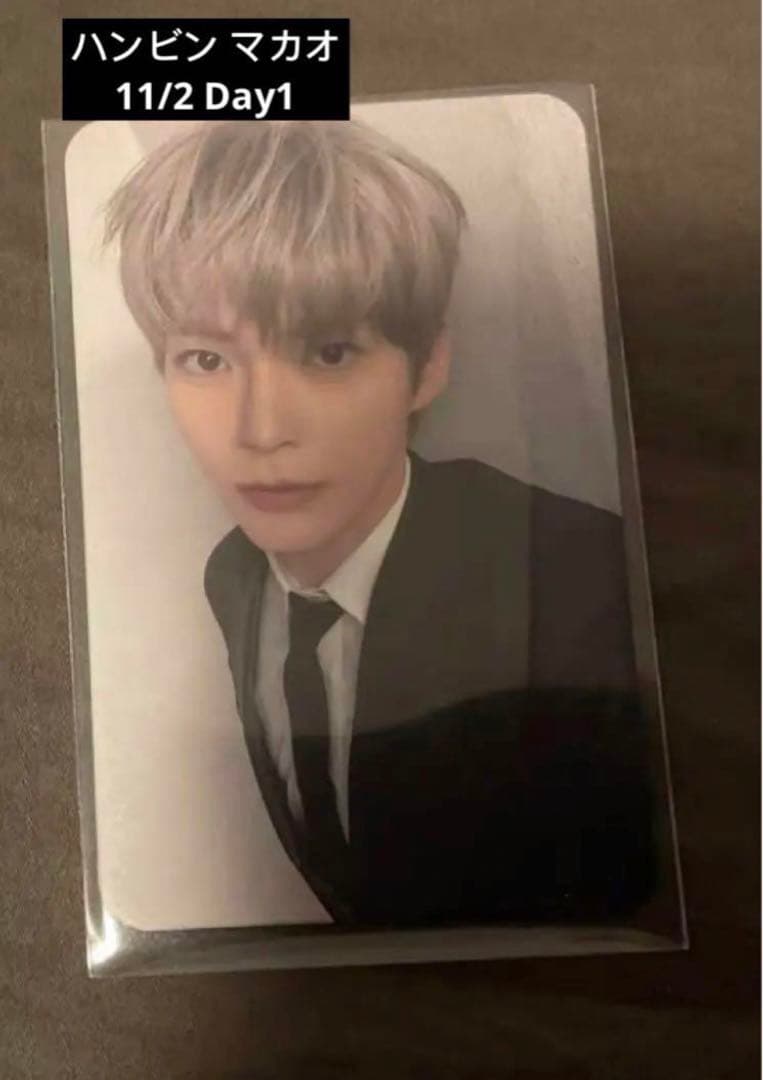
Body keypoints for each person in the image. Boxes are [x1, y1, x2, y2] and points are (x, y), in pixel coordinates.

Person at [104, 119, 655, 927]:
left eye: (328, 352)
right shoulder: (234, 575)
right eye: (207, 360)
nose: (261, 430)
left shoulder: (588, 585)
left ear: (426, 367)